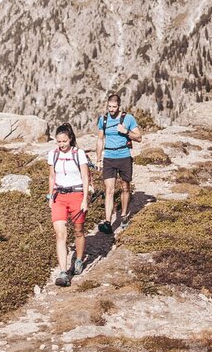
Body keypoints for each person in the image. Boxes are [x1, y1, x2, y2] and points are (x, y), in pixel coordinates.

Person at [47, 123, 90, 287]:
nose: (61, 144)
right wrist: (50, 196)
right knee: (60, 234)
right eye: (59, 141)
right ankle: (64, 272)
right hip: (59, 196)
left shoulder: (79, 154)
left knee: (79, 231)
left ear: (70, 139)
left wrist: (85, 199)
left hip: (77, 195)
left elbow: (85, 177)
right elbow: (52, 176)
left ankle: (78, 259)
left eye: (64, 141)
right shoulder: (53, 155)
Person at [95, 93, 142, 234]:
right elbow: (99, 140)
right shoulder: (103, 120)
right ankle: (108, 222)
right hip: (109, 157)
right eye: (109, 106)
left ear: (119, 106)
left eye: (114, 107)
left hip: (124, 156)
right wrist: (98, 159)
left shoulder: (128, 118)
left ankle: (123, 216)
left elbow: (139, 138)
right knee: (109, 190)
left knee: (125, 187)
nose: (111, 109)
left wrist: (126, 131)